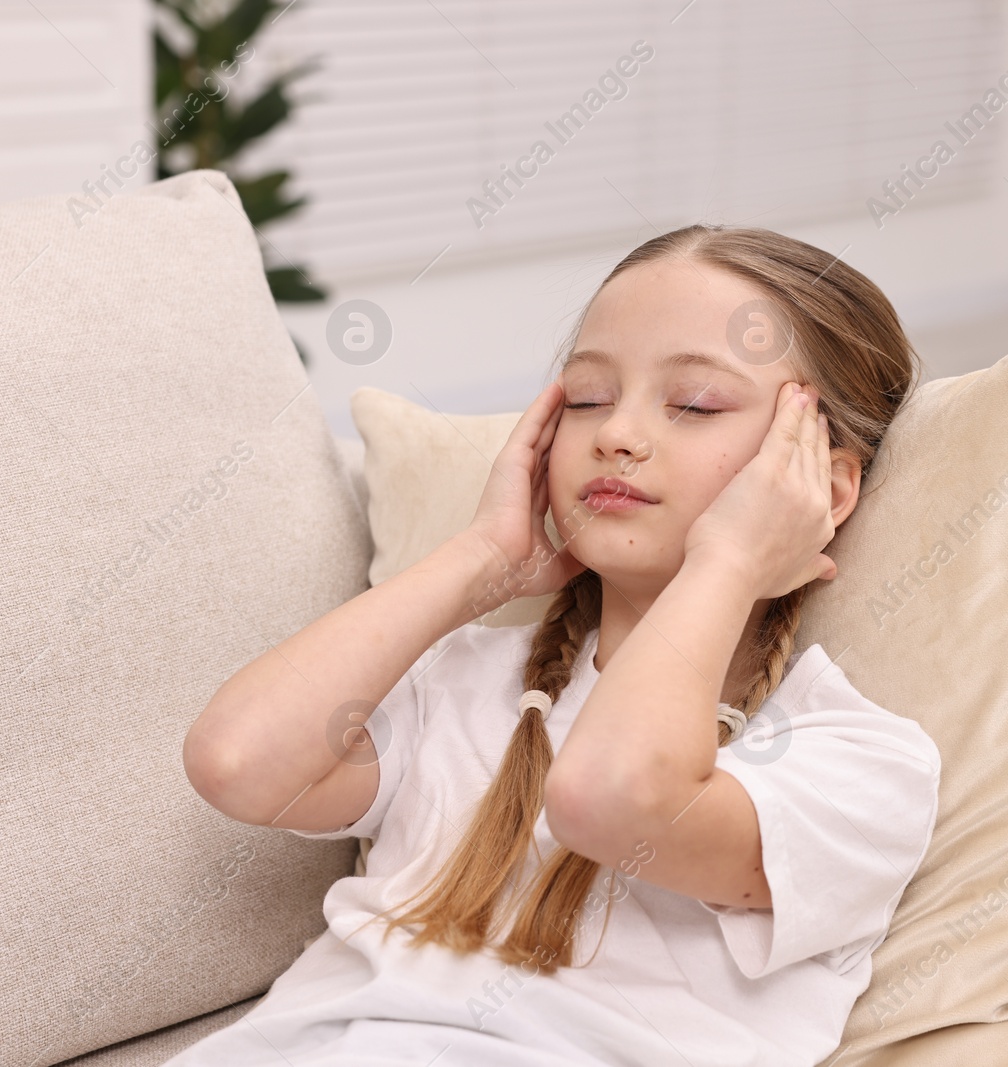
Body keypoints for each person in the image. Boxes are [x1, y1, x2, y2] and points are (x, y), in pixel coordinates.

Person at [168, 224, 942, 1066]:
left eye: (696, 404)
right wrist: (482, 561)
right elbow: (236, 761)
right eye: (585, 397)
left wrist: (729, 560)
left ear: (822, 486)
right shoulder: (465, 682)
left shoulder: (856, 763)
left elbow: (610, 797)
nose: (618, 434)